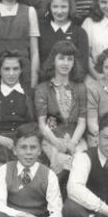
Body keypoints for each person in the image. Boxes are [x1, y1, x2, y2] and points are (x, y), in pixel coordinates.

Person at [0, 50, 37, 183]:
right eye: (6, 69)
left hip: (24, 138)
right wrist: (0, 139)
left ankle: (26, 196)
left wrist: (23, 141)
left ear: (21, 70)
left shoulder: (29, 93)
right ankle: (1, 197)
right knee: (0, 166)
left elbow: (35, 124)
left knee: (31, 164)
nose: (11, 73)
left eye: (15, 69)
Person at [35, 41, 87, 179]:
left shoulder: (80, 88)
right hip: (51, 139)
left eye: (70, 59)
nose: (66, 63)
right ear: (53, 60)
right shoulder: (43, 89)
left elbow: (82, 122)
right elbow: (42, 124)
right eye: (61, 58)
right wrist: (57, 143)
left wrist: (73, 143)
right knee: (60, 162)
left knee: (80, 163)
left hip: (75, 139)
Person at [37, 0, 89, 75]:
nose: (59, 11)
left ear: (70, 8)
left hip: (71, 83)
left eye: (64, 7)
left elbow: (82, 64)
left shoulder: (79, 33)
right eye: (55, 7)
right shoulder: (41, 30)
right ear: (49, 7)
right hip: (45, 82)